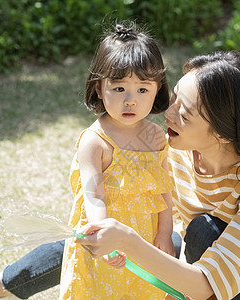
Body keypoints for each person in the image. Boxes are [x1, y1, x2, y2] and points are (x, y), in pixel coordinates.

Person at [0, 50, 240, 300]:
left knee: (202, 229)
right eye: (174, 97)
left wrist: (129, 241)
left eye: (184, 112)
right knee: (102, 229)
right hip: (200, 264)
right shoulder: (176, 148)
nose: (167, 113)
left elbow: (203, 284)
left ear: (223, 131)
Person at [58, 22, 175, 299]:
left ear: (157, 90)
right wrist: (106, 240)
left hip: (143, 240)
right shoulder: (95, 141)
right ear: (99, 88)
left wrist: (164, 234)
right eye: (119, 89)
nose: (130, 101)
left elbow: (163, 191)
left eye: (142, 90)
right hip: (101, 245)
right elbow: (94, 198)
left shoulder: (156, 138)